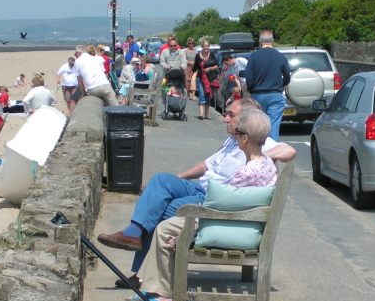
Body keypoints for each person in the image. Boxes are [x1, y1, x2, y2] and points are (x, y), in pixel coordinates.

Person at [97, 98, 295, 289]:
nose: (226, 118)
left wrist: (258, 158)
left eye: (231, 115)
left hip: (211, 197)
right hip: (198, 186)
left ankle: (143, 275)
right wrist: (178, 178)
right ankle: (134, 233)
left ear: (246, 120)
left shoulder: (257, 141)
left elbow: (289, 151)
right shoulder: (232, 141)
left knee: (163, 210)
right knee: (161, 181)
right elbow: (206, 165)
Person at [129, 109, 278, 301]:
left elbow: (223, 209)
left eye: (238, 132)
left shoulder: (245, 173)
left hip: (229, 227)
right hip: (244, 224)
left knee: (165, 229)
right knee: (166, 224)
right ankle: (152, 287)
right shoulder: (268, 164)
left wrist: (191, 233)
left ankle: (165, 295)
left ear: (244, 138)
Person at [244, 31, 291, 142]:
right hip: (275, 95)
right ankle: (271, 154)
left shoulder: (254, 56)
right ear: (273, 41)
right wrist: (282, 85)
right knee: (273, 126)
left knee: (257, 125)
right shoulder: (280, 56)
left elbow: (249, 77)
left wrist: (251, 90)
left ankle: (257, 151)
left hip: (258, 95)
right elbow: (287, 75)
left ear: (260, 41)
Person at [192, 40, 219, 120]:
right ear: (202, 47)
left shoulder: (212, 55)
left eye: (207, 46)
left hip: (210, 78)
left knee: (208, 95)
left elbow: (217, 65)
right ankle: (200, 114)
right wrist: (190, 76)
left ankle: (206, 115)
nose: (206, 47)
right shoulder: (198, 55)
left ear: (209, 46)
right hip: (200, 77)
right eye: (204, 46)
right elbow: (195, 67)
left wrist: (209, 69)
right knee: (201, 94)